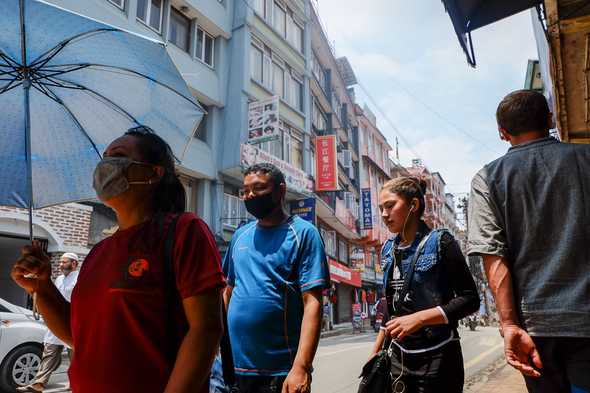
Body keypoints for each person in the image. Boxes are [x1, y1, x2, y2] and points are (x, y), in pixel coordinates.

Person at [11, 126, 225, 393]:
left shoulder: (184, 231)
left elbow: (206, 329)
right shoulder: (98, 252)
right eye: (105, 156)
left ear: (153, 173)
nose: (106, 164)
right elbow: (77, 335)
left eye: (119, 155)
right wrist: (42, 287)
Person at [468, 90, 590, 393]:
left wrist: (509, 325)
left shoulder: (487, 178)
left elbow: (493, 257)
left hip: (535, 331)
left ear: (502, 132)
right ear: (549, 119)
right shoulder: (586, 158)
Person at [223, 163, 330, 393]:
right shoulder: (240, 235)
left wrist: (301, 367)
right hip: (234, 372)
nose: (250, 195)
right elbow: (228, 291)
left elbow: (313, 302)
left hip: (280, 373)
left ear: (280, 190)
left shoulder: (303, 233)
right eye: (245, 190)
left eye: (259, 188)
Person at [371, 176, 480, 392]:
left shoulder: (441, 242)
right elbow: (392, 310)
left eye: (390, 206)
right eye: (381, 208)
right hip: (399, 360)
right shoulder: (387, 250)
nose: (384, 214)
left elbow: (470, 299)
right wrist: (374, 357)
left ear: (413, 205)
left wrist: (420, 319)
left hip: (440, 357)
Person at [17, 253, 79, 393]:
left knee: (74, 356)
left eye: (64, 262)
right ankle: (39, 383)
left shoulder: (81, 279)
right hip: (56, 320)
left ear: (74, 263)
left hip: (72, 321)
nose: (61, 265)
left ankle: (74, 383)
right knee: (49, 351)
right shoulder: (59, 279)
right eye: (61, 262)